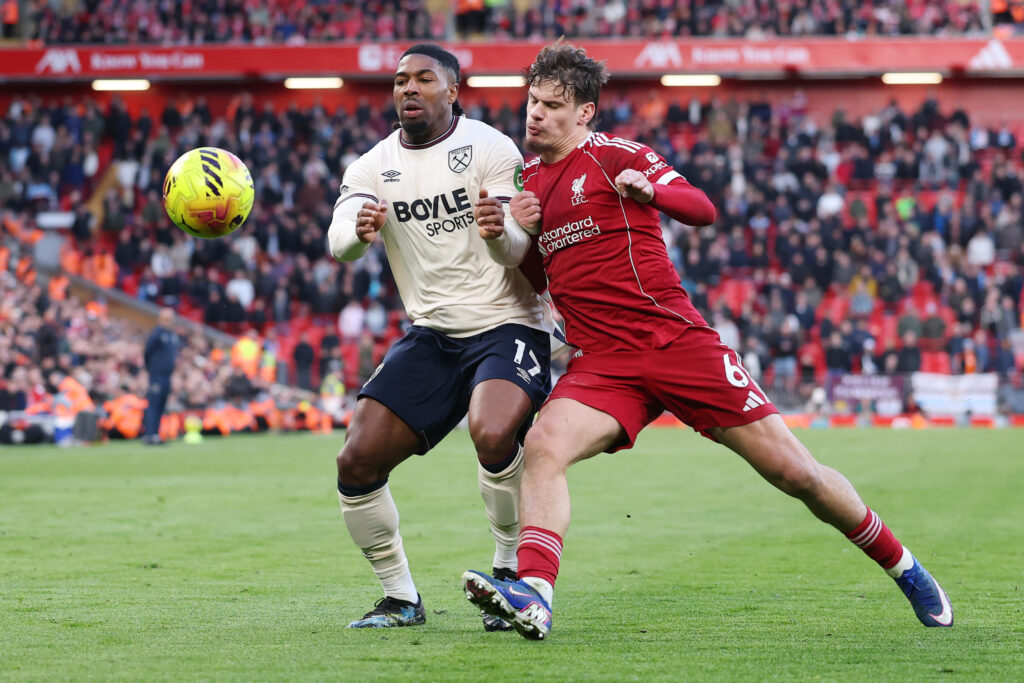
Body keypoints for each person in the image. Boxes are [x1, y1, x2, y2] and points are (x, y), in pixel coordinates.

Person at [462, 42, 953, 640]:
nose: (534, 115)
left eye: (552, 106)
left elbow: (703, 209)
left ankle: (904, 566)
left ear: (585, 113)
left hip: (676, 344)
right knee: (542, 445)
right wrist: (510, 235)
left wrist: (652, 191)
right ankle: (535, 593)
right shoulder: (528, 183)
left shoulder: (619, 155)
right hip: (603, 364)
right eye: (532, 101)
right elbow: (543, 277)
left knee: (796, 474)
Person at [326, 44, 558, 630]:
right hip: (432, 334)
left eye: (424, 78)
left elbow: (516, 247)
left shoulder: (490, 147)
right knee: (355, 462)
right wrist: (357, 232)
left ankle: (508, 573)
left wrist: (496, 233)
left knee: (492, 429)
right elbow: (339, 244)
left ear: (452, 91)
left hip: (508, 322)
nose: (409, 88)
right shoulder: (372, 166)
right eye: (401, 79)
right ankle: (401, 598)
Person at [142, 308, 179, 445]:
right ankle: (150, 434)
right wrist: (152, 369)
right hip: (157, 375)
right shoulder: (157, 334)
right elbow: (147, 353)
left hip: (167, 376)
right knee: (154, 404)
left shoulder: (172, 335)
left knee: (161, 405)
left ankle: (156, 434)